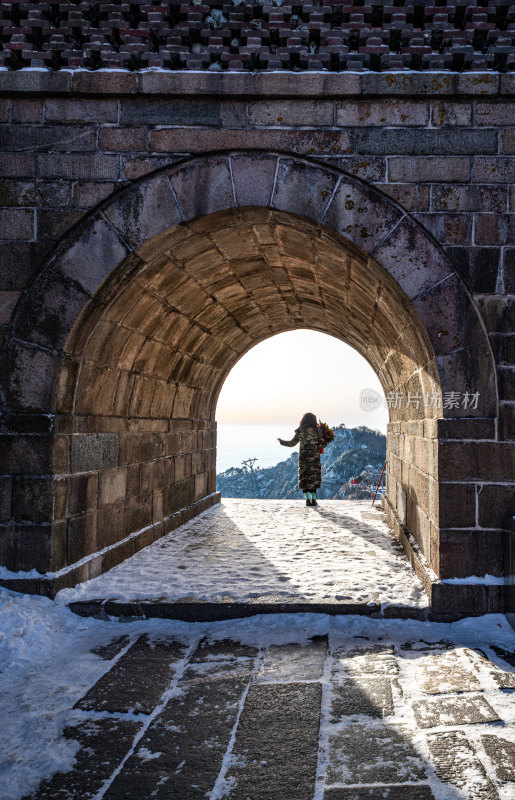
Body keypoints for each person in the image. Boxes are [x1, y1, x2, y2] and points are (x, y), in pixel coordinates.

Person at [278, 413, 325, 506]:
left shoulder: (300, 431)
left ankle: (307, 500)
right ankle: (313, 500)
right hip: (314, 460)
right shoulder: (318, 432)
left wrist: (282, 442)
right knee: (313, 479)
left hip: (303, 460)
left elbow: (292, 443)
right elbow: (322, 445)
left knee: (305, 479)